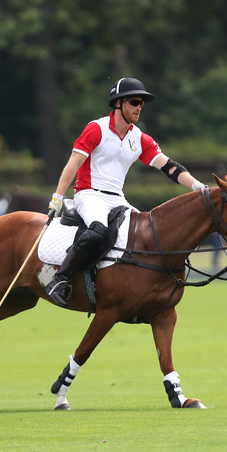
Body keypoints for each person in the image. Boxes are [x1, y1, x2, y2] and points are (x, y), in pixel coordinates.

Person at [44, 77, 205, 307]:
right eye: (134, 101)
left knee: (146, 236)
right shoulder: (96, 128)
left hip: (117, 198)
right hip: (89, 194)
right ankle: (59, 280)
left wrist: (196, 185)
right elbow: (73, 164)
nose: (139, 107)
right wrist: (58, 197)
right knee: (98, 231)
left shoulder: (139, 138)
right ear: (118, 103)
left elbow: (169, 167)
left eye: (142, 103)